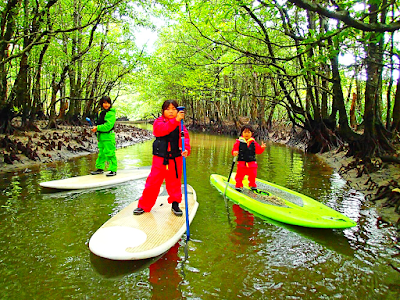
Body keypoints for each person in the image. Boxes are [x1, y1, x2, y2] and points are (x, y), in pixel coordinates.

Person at [133, 100, 190, 216]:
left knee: (174, 183)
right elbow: (161, 131)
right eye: (168, 109)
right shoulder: (158, 122)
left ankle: (175, 204)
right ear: (163, 111)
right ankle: (144, 205)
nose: (171, 111)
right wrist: (176, 120)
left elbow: (185, 139)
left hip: (175, 159)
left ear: (178, 111)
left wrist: (186, 150)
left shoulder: (181, 125)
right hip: (160, 159)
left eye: (174, 109)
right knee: (153, 182)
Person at [231, 124, 266, 192]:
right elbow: (234, 150)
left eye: (248, 132)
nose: (247, 134)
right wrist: (234, 152)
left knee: (253, 175)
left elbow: (258, 151)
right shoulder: (238, 142)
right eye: (245, 132)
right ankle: (238, 185)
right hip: (242, 163)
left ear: (251, 133)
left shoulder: (254, 143)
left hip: (252, 163)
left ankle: (252, 185)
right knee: (240, 175)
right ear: (242, 133)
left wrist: (262, 148)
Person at [90, 96, 118, 176]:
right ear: (101, 103)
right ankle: (100, 168)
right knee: (101, 153)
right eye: (104, 103)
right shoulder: (100, 112)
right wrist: (96, 128)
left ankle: (113, 170)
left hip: (108, 137)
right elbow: (99, 123)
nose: (106, 105)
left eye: (108, 103)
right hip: (101, 136)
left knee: (110, 153)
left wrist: (98, 127)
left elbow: (108, 126)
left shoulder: (111, 113)